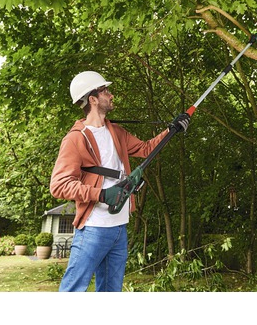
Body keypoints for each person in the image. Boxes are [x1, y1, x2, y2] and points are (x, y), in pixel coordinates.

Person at [50, 70, 190, 292]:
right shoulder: (76, 138)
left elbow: (145, 149)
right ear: (93, 99)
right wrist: (102, 195)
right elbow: (59, 184)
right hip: (93, 229)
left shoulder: (116, 131)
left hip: (119, 229)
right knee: (73, 290)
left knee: (111, 292)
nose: (111, 94)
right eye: (106, 91)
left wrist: (171, 130)